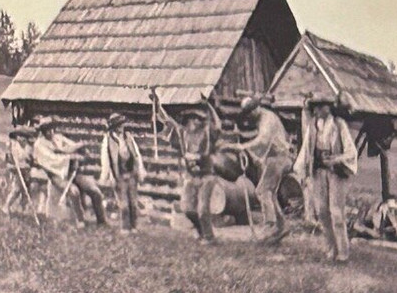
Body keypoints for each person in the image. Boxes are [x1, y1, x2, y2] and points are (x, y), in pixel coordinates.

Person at [294, 95, 358, 263]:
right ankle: (331, 249)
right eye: (314, 107)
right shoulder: (313, 126)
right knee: (322, 212)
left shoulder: (339, 124)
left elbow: (351, 151)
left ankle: (343, 254)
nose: (316, 110)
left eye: (320, 106)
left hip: (336, 173)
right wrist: (301, 171)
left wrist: (336, 159)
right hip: (319, 172)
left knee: (336, 213)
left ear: (328, 108)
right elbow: (306, 149)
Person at [153, 91, 219, 243]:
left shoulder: (207, 133)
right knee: (187, 209)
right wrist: (157, 104)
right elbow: (166, 120)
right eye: (192, 119)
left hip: (206, 176)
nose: (194, 121)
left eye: (197, 119)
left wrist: (209, 106)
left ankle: (209, 237)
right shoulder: (182, 134)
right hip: (190, 176)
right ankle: (201, 232)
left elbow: (218, 125)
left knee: (202, 210)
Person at [226, 96, 293, 243]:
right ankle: (282, 226)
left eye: (250, 111)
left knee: (262, 191)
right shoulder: (262, 118)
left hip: (279, 158)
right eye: (247, 113)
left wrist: (242, 146)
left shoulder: (267, 119)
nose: (249, 115)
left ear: (257, 107)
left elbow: (263, 140)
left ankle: (270, 224)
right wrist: (255, 154)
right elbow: (264, 142)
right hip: (274, 158)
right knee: (270, 193)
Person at [32, 117, 107, 227]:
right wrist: (71, 157)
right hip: (57, 174)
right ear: (42, 131)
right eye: (47, 129)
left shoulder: (58, 138)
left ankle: (102, 221)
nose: (51, 132)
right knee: (74, 191)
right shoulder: (39, 145)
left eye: (52, 128)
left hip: (73, 171)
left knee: (95, 191)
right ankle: (80, 220)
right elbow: (52, 159)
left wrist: (81, 148)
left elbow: (71, 146)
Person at [98, 112, 146, 233]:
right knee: (123, 203)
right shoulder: (108, 139)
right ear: (114, 127)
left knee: (133, 202)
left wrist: (140, 170)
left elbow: (136, 154)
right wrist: (106, 176)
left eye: (122, 124)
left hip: (131, 173)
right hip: (119, 175)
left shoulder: (128, 137)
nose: (121, 127)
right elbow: (105, 159)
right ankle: (125, 227)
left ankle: (134, 226)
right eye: (118, 125)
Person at [2, 128, 36, 216]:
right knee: (16, 189)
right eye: (20, 136)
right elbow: (8, 160)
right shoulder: (13, 147)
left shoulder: (29, 148)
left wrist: (30, 163)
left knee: (26, 191)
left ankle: (22, 209)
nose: (22, 138)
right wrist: (12, 166)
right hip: (16, 170)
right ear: (17, 137)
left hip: (27, 171)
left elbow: (32, 160)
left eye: (24, 137)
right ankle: (6, 206)